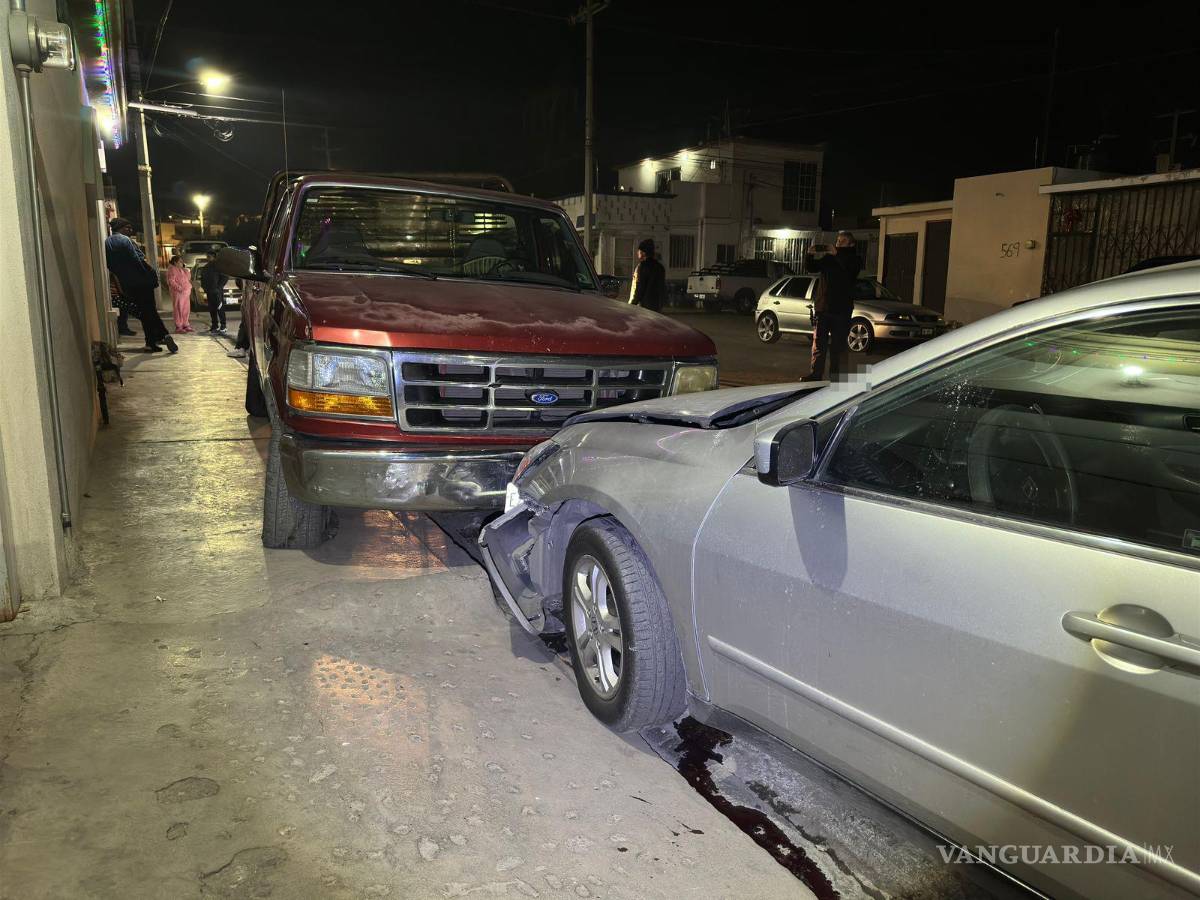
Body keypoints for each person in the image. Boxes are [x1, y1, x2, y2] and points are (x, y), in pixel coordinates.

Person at [104, 218, 177, 353]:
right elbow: (136, 259)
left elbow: (110, 264)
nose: (130, 230)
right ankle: (162, 334)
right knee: (150, 310)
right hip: (141, 281)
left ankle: (153, 341)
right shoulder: (125, 240)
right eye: (127, 228)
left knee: (145, 312)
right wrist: (146, 273)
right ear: (120, 228)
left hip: (127, 283)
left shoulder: (107, 242)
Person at [802, 231, 861, 381]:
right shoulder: (829, 258)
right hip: (823, 308)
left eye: (843, 241)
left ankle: (837, 378)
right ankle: (815, 375)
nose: (838, 243)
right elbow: (812, 268)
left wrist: (837, 254)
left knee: (838, 347)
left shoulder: (854, 259)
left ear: (851, 244)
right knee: (819, 344)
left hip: (841, 311)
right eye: (838, 240)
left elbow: (850, 271)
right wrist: (809, 255)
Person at [628, 238, 667, 312]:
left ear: (643, 252)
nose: (637, 253)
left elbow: (640, 288)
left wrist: (633, 304)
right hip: (657, 306)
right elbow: (662, 288)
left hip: (645, 306)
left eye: (639, 251)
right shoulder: (660, 267)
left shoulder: (642, 266)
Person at [200, 252, 229, 334]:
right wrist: (204, 288)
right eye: (207, 256)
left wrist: (218, 288)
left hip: (217, 292)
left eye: (209, 256)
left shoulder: (219, 267)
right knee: (212, 309)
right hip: (209, 292)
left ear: (214, 257)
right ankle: (214, 326)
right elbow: (202, 279)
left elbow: (225, 277)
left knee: (220, 309)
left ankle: (223, 326)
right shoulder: (206, 267)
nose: (208, 258)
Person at [166, 255, 194, 333]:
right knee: (179, 309)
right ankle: (179, 326)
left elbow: (188, 278)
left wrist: (186, 270)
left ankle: (185, 324)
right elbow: (171, 281)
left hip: (186, 292)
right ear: (175, 262)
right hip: (178, 293)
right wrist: (179, 288)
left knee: (186, 309)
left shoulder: (182, 270)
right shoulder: (172, 270)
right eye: (180, 262)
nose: (182, 263)